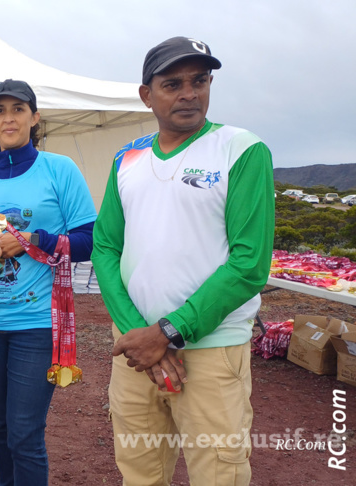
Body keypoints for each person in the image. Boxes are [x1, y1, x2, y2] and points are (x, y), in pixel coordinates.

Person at [91, 37, 274, 485]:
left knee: (219, 475)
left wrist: (169, 332)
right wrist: (141, 336)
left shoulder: (242, 150)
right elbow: (105, 248)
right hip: (136, 353)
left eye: (200, 80)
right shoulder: (126, 159)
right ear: (146, 95)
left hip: (210, 352)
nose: (189, 93)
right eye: (173, 83)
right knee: (140, 473)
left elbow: (249, 263)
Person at [0, 80, 97, 485]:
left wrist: (35, 241)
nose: (8, 118)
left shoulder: (59, 169)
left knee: (25, 433)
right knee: (1, 427)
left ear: (35, 117)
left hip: (36, 323)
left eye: (18, 109)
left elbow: (90, 242)